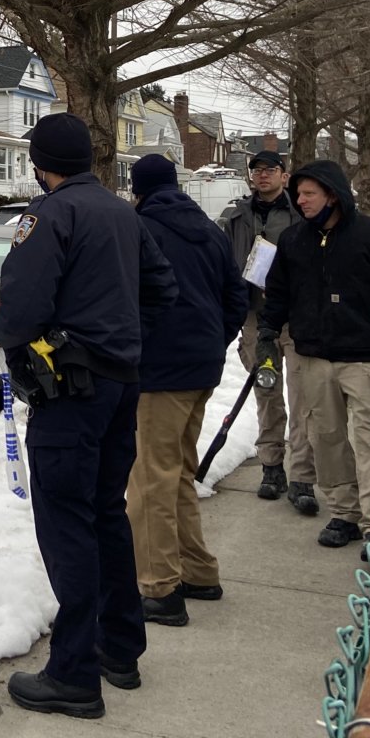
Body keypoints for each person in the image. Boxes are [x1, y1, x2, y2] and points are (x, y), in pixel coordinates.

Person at [0, 113, 178, 719]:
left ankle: (72, 675)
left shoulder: (49, 215)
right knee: (106, 514)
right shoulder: (124, 213)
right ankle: (118, 649)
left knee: (67, 524)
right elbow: (162, 289)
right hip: (120, 385)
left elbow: (22, 304)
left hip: (72, 394)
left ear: (41, 164)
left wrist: (17, 338)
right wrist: (118, 338)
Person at [256, 160, 370, 549]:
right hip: (314, 358)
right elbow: (279, 294)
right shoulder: (294, 241)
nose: (301, 200)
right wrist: (267, 333)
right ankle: (344, 513)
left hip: (366, 359)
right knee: (326, 440)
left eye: (309, 194)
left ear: (332, 196)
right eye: (298, 194)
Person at [127, 154, 246, 627]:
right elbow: (236, 297)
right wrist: (213, 343)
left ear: (139, 190)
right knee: (177, 472)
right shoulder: (211, 231)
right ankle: (198, 572)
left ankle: (159, 588)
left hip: (160, 373)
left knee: (150, 479)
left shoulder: (142, 229)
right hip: (201, 369)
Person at [219, 150, 317, 514]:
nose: (263, 175)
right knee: (267, 393)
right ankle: (272, 468)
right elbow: (226, 264)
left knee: (303, 397)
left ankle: (303, 476)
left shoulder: (300, 214)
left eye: (270, 170)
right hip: (254, 318)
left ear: (284, 175)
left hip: (294, 318)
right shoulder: (236, 217)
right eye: (257, 170)